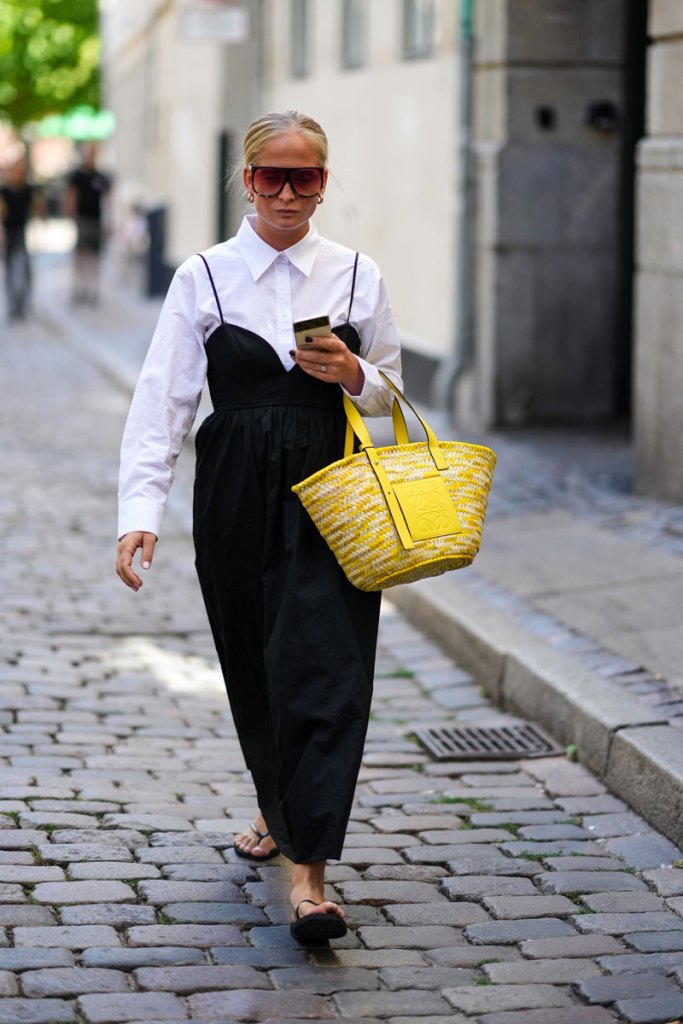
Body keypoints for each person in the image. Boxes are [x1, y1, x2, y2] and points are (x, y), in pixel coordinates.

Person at [116, 111, 402, 943]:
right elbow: (163, 397)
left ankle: (308, 878)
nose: (286, 192)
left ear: (323, 181)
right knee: (255, 661)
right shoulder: (203, 276)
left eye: (304, 177)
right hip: (234, 491)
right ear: (246, 181)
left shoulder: (355, 274)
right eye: (270, 176)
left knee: (326, 667)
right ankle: (276, 805)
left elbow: (390, 389)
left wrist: (354, 374)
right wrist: (141, 512)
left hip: (332, 489)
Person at [64, 144, 111, 305]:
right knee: (81, 255)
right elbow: (71, 195)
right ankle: (80, 288)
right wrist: (71, 213)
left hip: (96, 220)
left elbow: (107, 198)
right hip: (82, 219)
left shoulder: (100, 177)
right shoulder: (77, 176)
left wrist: (109, 220)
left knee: (95, 256)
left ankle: (92, 289)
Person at [0, 156, 35, 321]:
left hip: (21, 234)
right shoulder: (4, 191)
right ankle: (13, 306)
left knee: (22, 271)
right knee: (11, 271)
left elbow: (33, 209)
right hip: (9, 234)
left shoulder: (26, 190)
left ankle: (21, 305)